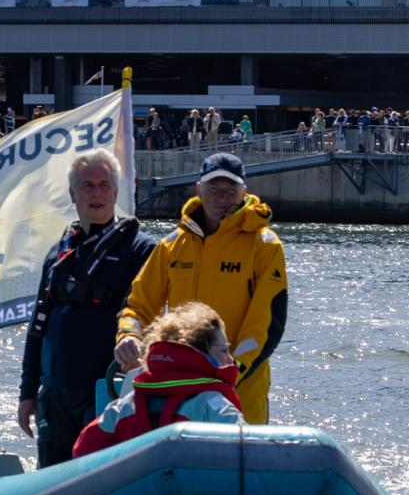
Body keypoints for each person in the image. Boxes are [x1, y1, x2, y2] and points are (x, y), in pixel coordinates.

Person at [116, 152, 287, 425]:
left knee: (239, 463)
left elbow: (265, 326)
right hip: (178, 388)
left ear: (244, 191)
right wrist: (128, 336)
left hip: (240, 388)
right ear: (199, 189)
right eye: (214, 187)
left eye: (230, 189)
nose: (222, 196)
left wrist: (229, 371)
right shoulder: (171, 245)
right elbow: (138, 306)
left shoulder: (265, 246)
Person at [15, 149, 158, 468]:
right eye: (87, 186)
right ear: (72, 194)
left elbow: (144, 315)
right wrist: (27, 392)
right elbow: (37, 326)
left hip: (105, 392)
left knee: (99, 477)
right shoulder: (58, 253)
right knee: (50, 480)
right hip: (55, 394)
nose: (96, 193)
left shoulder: (141, 249)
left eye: (104, 185)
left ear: (116, 192)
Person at [72, 302, 243, 458]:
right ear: (202, 353)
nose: (230, 360)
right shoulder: (214, 405)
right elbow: (248, 456)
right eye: (224, 350)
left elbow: (83, 450)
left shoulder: (124, 407)